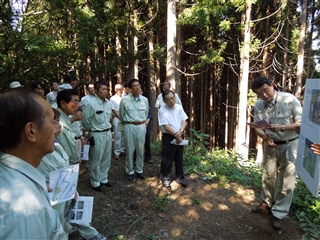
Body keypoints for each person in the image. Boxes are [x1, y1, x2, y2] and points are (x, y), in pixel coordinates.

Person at [0, 88, 67, 239]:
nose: (56, 129)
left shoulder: (14, 177)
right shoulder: (25, 208)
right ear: (31, 131)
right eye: (52, 121)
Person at [37, 108, 107, 240]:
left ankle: (88, 233)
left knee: (71, 206)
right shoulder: (38, 150)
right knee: (57, 217)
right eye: (55, 122)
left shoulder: (55, 142)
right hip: (52, 191)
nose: (58, 126)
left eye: (58, 122)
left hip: (64, 185)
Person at [251, 76, 302, 231]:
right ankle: (266, 203)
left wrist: (283, 128)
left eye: (265, 90)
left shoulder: (289, 99)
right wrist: (265, 137)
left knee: (287, 182)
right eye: (259, 93)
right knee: (268, 175)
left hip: (290, 145)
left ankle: (278, 213)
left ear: (272, 86)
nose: (264, 95)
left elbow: (301, 124)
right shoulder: (259, 105)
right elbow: (257, 126)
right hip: (271, 145)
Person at [82, 81, 113, 191]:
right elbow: (86, 120)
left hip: (108, 133)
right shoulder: (91, 104)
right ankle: (95, 182)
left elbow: (110, 117)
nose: (105, 91)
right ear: (96, 90)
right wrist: (93, 130)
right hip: (97, 134)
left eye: (106, 89)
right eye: (102, 89)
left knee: (106, 157)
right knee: (97, 158)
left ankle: (103, 178)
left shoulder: (108, 103)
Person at [119, 79, 149, 181]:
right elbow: (122, 114)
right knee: (129, 149)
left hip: (141, 126)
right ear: (130, 89)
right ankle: (130, 171)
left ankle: (139, 170)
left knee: (140, 150)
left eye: (138, 86)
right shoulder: (124, 100)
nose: (137, 88)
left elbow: (146, 114)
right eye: (135, 86)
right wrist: (128, 123)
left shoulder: (145, 100)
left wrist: (142, 123)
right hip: (129, 126)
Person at [158, 90, 188, 190]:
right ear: (164, 100)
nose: (171, 101)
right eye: (168, 99)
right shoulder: (162, 110)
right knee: (167, 158)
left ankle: (180, 178)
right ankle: (165, 179)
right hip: (169, 136)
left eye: (172, 98)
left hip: (179, 134)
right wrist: (177, 135)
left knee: (179, 157)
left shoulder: (179, 107)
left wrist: (180, 131)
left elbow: (184, 120)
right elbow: (165, 126)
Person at [56, 88, 82, 165]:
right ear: (63, 104)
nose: (78, 106)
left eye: (78, 102)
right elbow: (67, 147)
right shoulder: (60, 123)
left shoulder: (64, 119)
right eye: (75, 102)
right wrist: (75, 159)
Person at [110, 84, 125, 160]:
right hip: (117, 119)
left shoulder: (124, 97)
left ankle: (122, 149)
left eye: (122, 89)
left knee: (123, 135)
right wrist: (120, 117)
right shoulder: (113, 98)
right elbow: (113, 110)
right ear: (116, 90)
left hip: (124, 119)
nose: (121, 91)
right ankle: (117, 152)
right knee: (117, 136)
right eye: (119, 89)